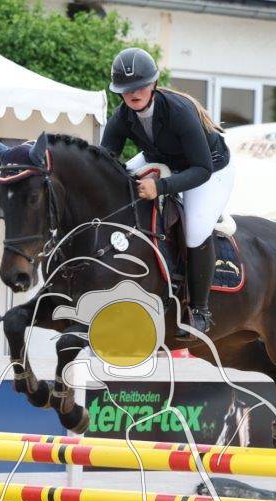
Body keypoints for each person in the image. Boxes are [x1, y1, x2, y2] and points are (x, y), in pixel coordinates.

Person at [99, 47, 234, 338]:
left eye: (139, 86)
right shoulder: (122, 117)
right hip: (165, 159)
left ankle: (200, 310)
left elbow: (201, 169)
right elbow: (104, 162)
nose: (133, 94)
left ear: (154, 85)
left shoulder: (179, 112)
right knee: (118, 184)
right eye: (126, 89)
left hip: (210, 168)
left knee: (195, 231)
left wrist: (159, 187)